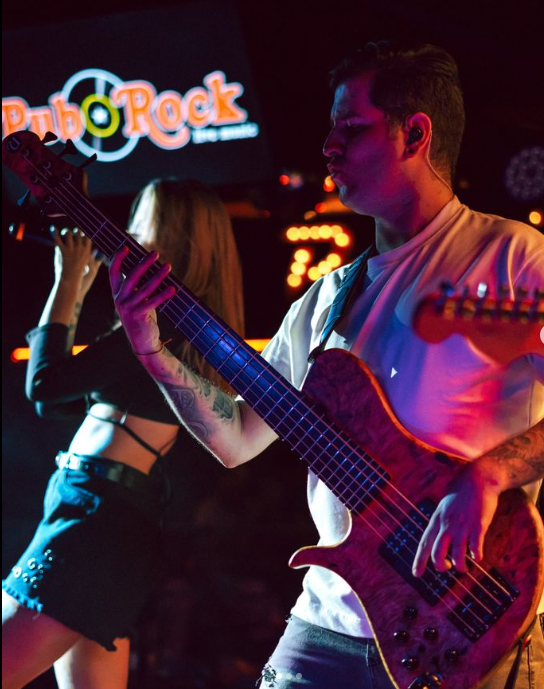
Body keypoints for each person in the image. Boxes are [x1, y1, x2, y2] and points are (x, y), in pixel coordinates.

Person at [109, 42, 544, 689]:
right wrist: (153, 351)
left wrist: (489, 473)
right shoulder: (325, 300)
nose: (328, 147)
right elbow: (235, 437)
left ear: (415, 134)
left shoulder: (513, 258)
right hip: (328, 621)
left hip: (465, 623)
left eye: (351, 128)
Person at [2, 179, 245, 689]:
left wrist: (67, 283)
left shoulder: (162, 326)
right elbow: (55, 402)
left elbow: (43, 384)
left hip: (95, 520)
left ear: (173, 235)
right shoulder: (171, 329)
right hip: (103, 517)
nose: (128, 235)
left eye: (141, 222)